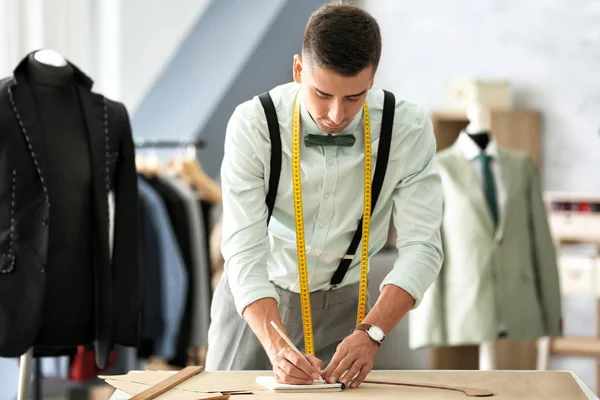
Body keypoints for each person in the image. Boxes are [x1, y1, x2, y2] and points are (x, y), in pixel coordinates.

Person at [205, 3, 443, 389]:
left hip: (352, 309)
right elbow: (244, 251)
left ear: (373, 78)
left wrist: (372, 332)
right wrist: (275, 344)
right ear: (299, 70)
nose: (336, 114)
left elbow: (424, 248)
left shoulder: (407, 127)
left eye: (354, 97)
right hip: (258, 301)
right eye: (322, 93)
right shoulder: (254, 124)